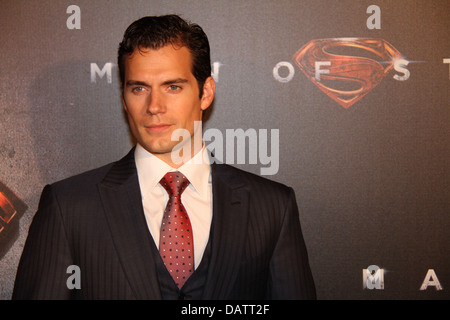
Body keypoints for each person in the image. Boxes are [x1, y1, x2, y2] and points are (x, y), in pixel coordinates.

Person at [12, 15, 316, 300]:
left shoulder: (272, 207)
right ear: (124, 97)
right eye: (139, 88)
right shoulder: (68, 207)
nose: (154, 105)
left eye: (172, 87)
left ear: (206, 92)